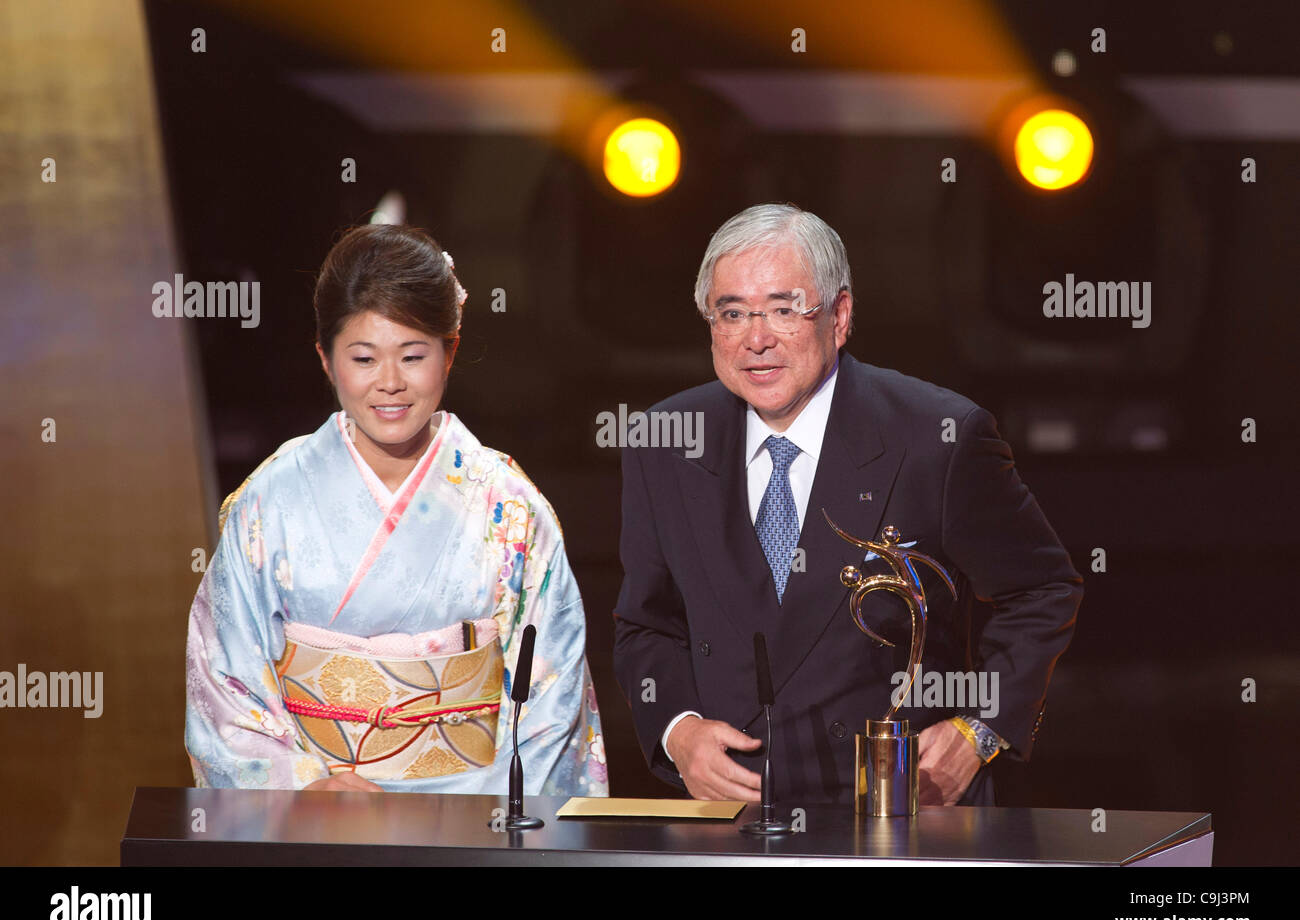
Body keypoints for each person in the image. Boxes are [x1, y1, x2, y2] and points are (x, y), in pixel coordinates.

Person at [612, 203, 1083, 807]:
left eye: (784, 309)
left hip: (899, 810)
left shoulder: (936, 436)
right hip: (731, 818)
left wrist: (979, 731)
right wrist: (677, 733)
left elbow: (1044, 590)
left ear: (839, 315)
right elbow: (646, 624)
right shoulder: (667, 441)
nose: (756, 338)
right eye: (732, 314)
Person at [186, 224, 607, 796]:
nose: (389, 383)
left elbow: (553, 697)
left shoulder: (508, 506)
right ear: (326, 360)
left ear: (450, 350)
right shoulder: (270, 501)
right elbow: (224, 684)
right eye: (363, 358)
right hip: (317, 823)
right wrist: (308, 791)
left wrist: (468, 821)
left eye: (413, 355)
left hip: (473, 823)